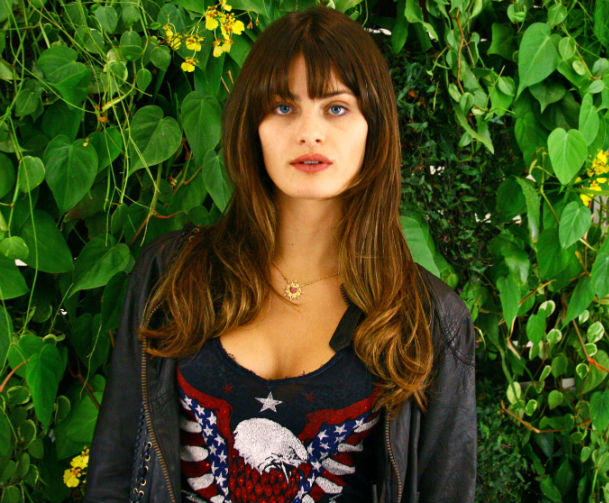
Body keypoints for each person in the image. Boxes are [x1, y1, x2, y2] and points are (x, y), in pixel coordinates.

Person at [84, 5, 476, 503]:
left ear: (374, 127)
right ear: (253, 126)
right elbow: (114, 473)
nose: (310, 132)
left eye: (336, 108)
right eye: (283, 108)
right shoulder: (171, 274)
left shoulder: (430, 320)